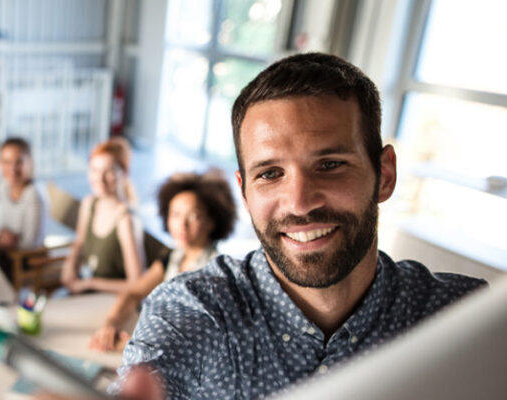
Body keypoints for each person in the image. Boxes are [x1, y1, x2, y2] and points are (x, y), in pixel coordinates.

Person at [98, 53, 487, 400]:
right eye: (270, 173)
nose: (300, 202)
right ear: (245, 193)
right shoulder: (194, 309)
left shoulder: (465, 320)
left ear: (384, 175)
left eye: (330, 164)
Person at [88, 171, 236, 352]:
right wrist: (110, 324)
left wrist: (131, 346)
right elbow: (133, 293)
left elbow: (198, 341)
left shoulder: (217, 271)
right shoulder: (171, 256)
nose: (182, 225)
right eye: (175, 214)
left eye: (194, 216)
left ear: (212, 221)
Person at [59, 138, 144, 295]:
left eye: (109, 171)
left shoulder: (126, 219)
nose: (100, 178)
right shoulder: (89, 203)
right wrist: (70, 265)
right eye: (94, 170)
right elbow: (79, 243)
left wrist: (90, 283)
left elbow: (136, 283)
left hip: (114, 300)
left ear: (124, 173)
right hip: (86, 290)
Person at [0, 138, 47, 283]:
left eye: (19, 162)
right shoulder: (3, 186)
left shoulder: (34, 195)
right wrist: (3, 238)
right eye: (6, 162)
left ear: (30, 163)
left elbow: (30, 243)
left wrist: (5, 242)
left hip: (26, 258)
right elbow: (1, 225)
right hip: (6, 250)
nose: (12, 169)